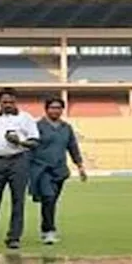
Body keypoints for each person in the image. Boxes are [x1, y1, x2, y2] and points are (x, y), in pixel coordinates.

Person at [0, 88, 39, 250]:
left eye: (11, 102)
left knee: (18, 200)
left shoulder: (25, 118)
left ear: (16, 101)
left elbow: (34, 142)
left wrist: (19, 142)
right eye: (5, 102)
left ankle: (14, 237)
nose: (8, 105)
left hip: (19, 160)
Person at [29, 98, 86, 245]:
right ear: (46, 109)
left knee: (52, 201)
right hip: (42, 169)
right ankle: (49, 231)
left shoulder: (66, 127)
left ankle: (44, 229)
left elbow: (72, 146)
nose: (56, 111)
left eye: (59, 108)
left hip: (59, 170)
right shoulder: (37, 126)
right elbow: (30, 146)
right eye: (52, 108)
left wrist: (80, 166)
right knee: (48, 197)